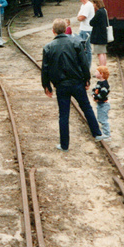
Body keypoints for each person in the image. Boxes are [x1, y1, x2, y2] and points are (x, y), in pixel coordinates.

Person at [41, 19, 107, 151]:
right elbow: (83, 63)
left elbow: (45, 69)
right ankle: (98, 133)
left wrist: (46, 86)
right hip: (77, 83)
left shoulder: (48, 47)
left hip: (61, 85)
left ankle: (64, 145)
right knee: (86, 108)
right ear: (66, 29)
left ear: (53, 31)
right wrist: (86, 80)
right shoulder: (76, 43)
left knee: (63, 115)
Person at [89, 0, 109, 67]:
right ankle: (104, 67)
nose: (93, 5)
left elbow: (92, 22)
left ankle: (101, 68)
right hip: (103, 35)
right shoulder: (104, 10)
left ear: (96, 3)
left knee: (99, 53)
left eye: (93, 3)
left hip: (98, 36)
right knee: (103, 53)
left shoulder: (99, 12)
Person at [76, 0, 95, 66]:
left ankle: (88, 65)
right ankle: (82, 64)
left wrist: (79, 18)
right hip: (82, 29)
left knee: (87, 48)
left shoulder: (88, 5)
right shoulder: (83, 5)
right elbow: (79, 16)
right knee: (81, 47)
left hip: (87, 29)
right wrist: (79, 17)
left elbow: (82, 17)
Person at [92, 66, 111, 139]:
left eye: (96, 72)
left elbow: (103, 94)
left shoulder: (105, 84)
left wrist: (96, 97)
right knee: (100, 118)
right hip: (100, 104)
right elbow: (95, 89)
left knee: (103, 119)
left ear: (101, 74)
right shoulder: (99, 82)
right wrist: (93, 93)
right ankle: (104, 133)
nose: (95, 73)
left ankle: (107, 135)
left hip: (104, 104)